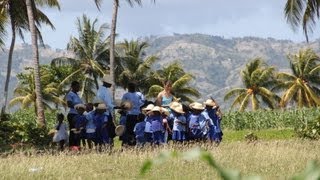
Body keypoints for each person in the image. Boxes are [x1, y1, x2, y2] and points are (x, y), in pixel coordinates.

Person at [66, 81, 83, 147]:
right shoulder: (70, 94)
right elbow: (69, 104)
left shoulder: (77, 95)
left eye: (79, 86)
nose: (78, 88)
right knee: (74, 131)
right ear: (73, 87)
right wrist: (77, 107)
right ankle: (72, 147)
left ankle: (77, 146)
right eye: (77, 86)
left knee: (78, 131)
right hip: (73, 114)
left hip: (78, 115)